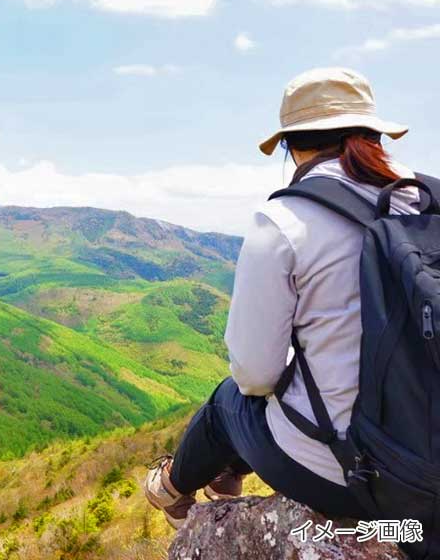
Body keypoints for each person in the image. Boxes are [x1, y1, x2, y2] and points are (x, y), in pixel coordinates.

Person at [144, 67, 419, 527]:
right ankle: (219, 476)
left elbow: (255, 374)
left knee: (227, 401)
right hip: (427, 457)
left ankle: (170, 489)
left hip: (355, 476)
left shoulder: (286, 220)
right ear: (375, 134)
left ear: (291, 146)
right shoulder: (423, 201)